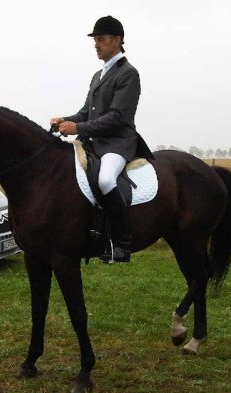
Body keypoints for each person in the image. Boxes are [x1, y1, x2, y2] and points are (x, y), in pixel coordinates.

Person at [51, 15, 153, 263]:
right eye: (95, 40)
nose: (96, 45)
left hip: (118, 142)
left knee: (106, 179)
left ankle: (122, 242)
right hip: (95, 143)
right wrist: (64, 120)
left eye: (101, 40)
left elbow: (117, 117)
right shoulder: (98, 75)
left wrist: (78, 127)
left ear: (117, 40)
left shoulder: (129, 74)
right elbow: (86, 112)